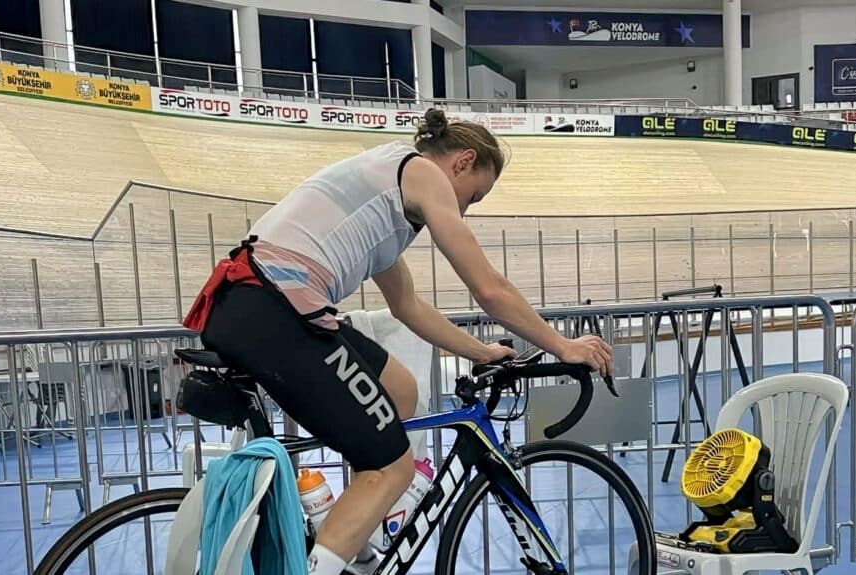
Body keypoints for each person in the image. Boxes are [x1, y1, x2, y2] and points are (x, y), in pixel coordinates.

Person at [183, 108, 613, 574]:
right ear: (463, 161)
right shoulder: (423, 174)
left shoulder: (386, 188)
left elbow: (408, 305)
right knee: (393, 467)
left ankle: (355, 547)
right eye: (473, 196)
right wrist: (562, 345)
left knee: (402, 392)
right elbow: (489, 289)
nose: (464, 211)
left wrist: (483, 352)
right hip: (275, 306)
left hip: (262, 302)